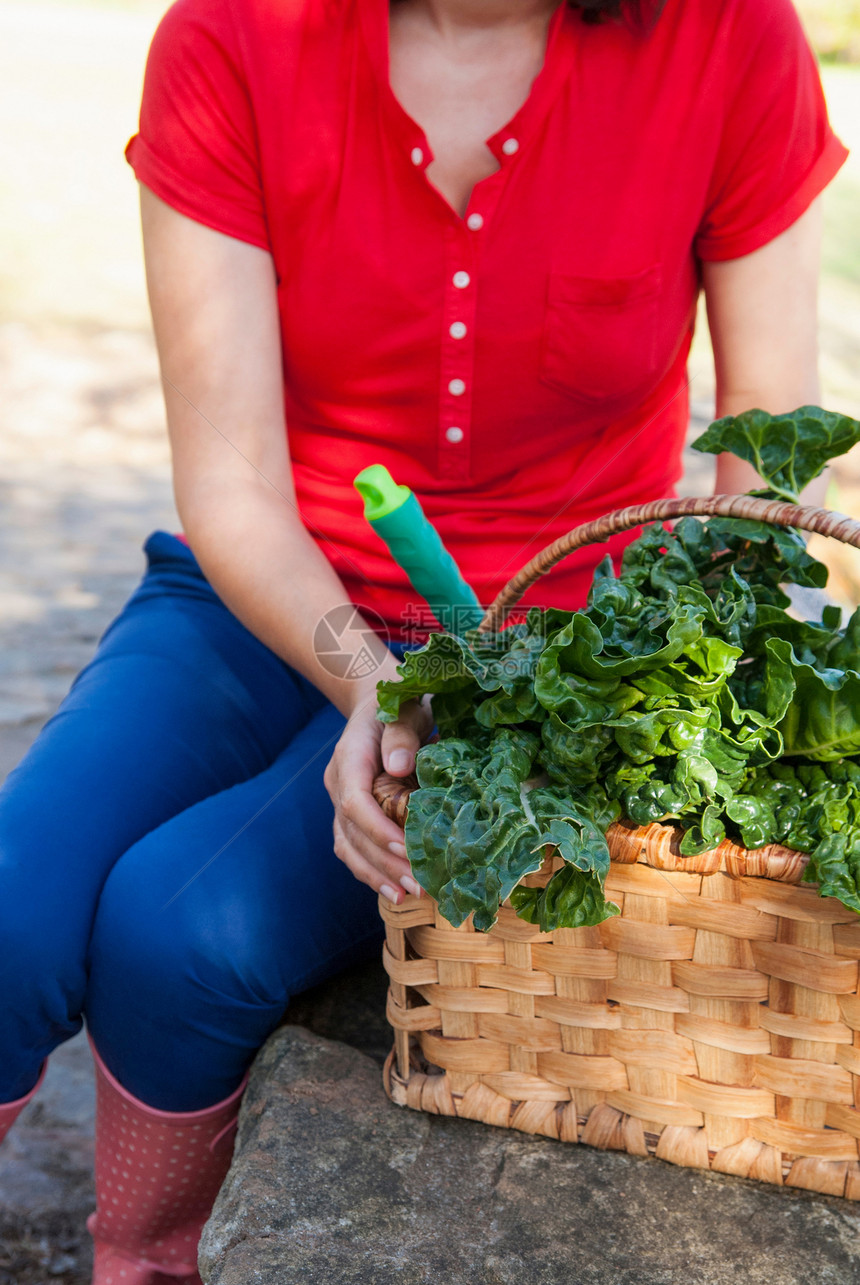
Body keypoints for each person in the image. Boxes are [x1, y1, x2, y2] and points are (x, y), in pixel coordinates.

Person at [0, 0, 847, 1280]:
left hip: (550, 655)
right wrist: (370, 680)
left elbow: (760, 453)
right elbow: (229, 479)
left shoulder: (728, 39)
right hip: (256, 596)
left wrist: (625, 696)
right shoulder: (229, 38)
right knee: (11, 906)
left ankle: (146, 1260)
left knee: (181, 936)